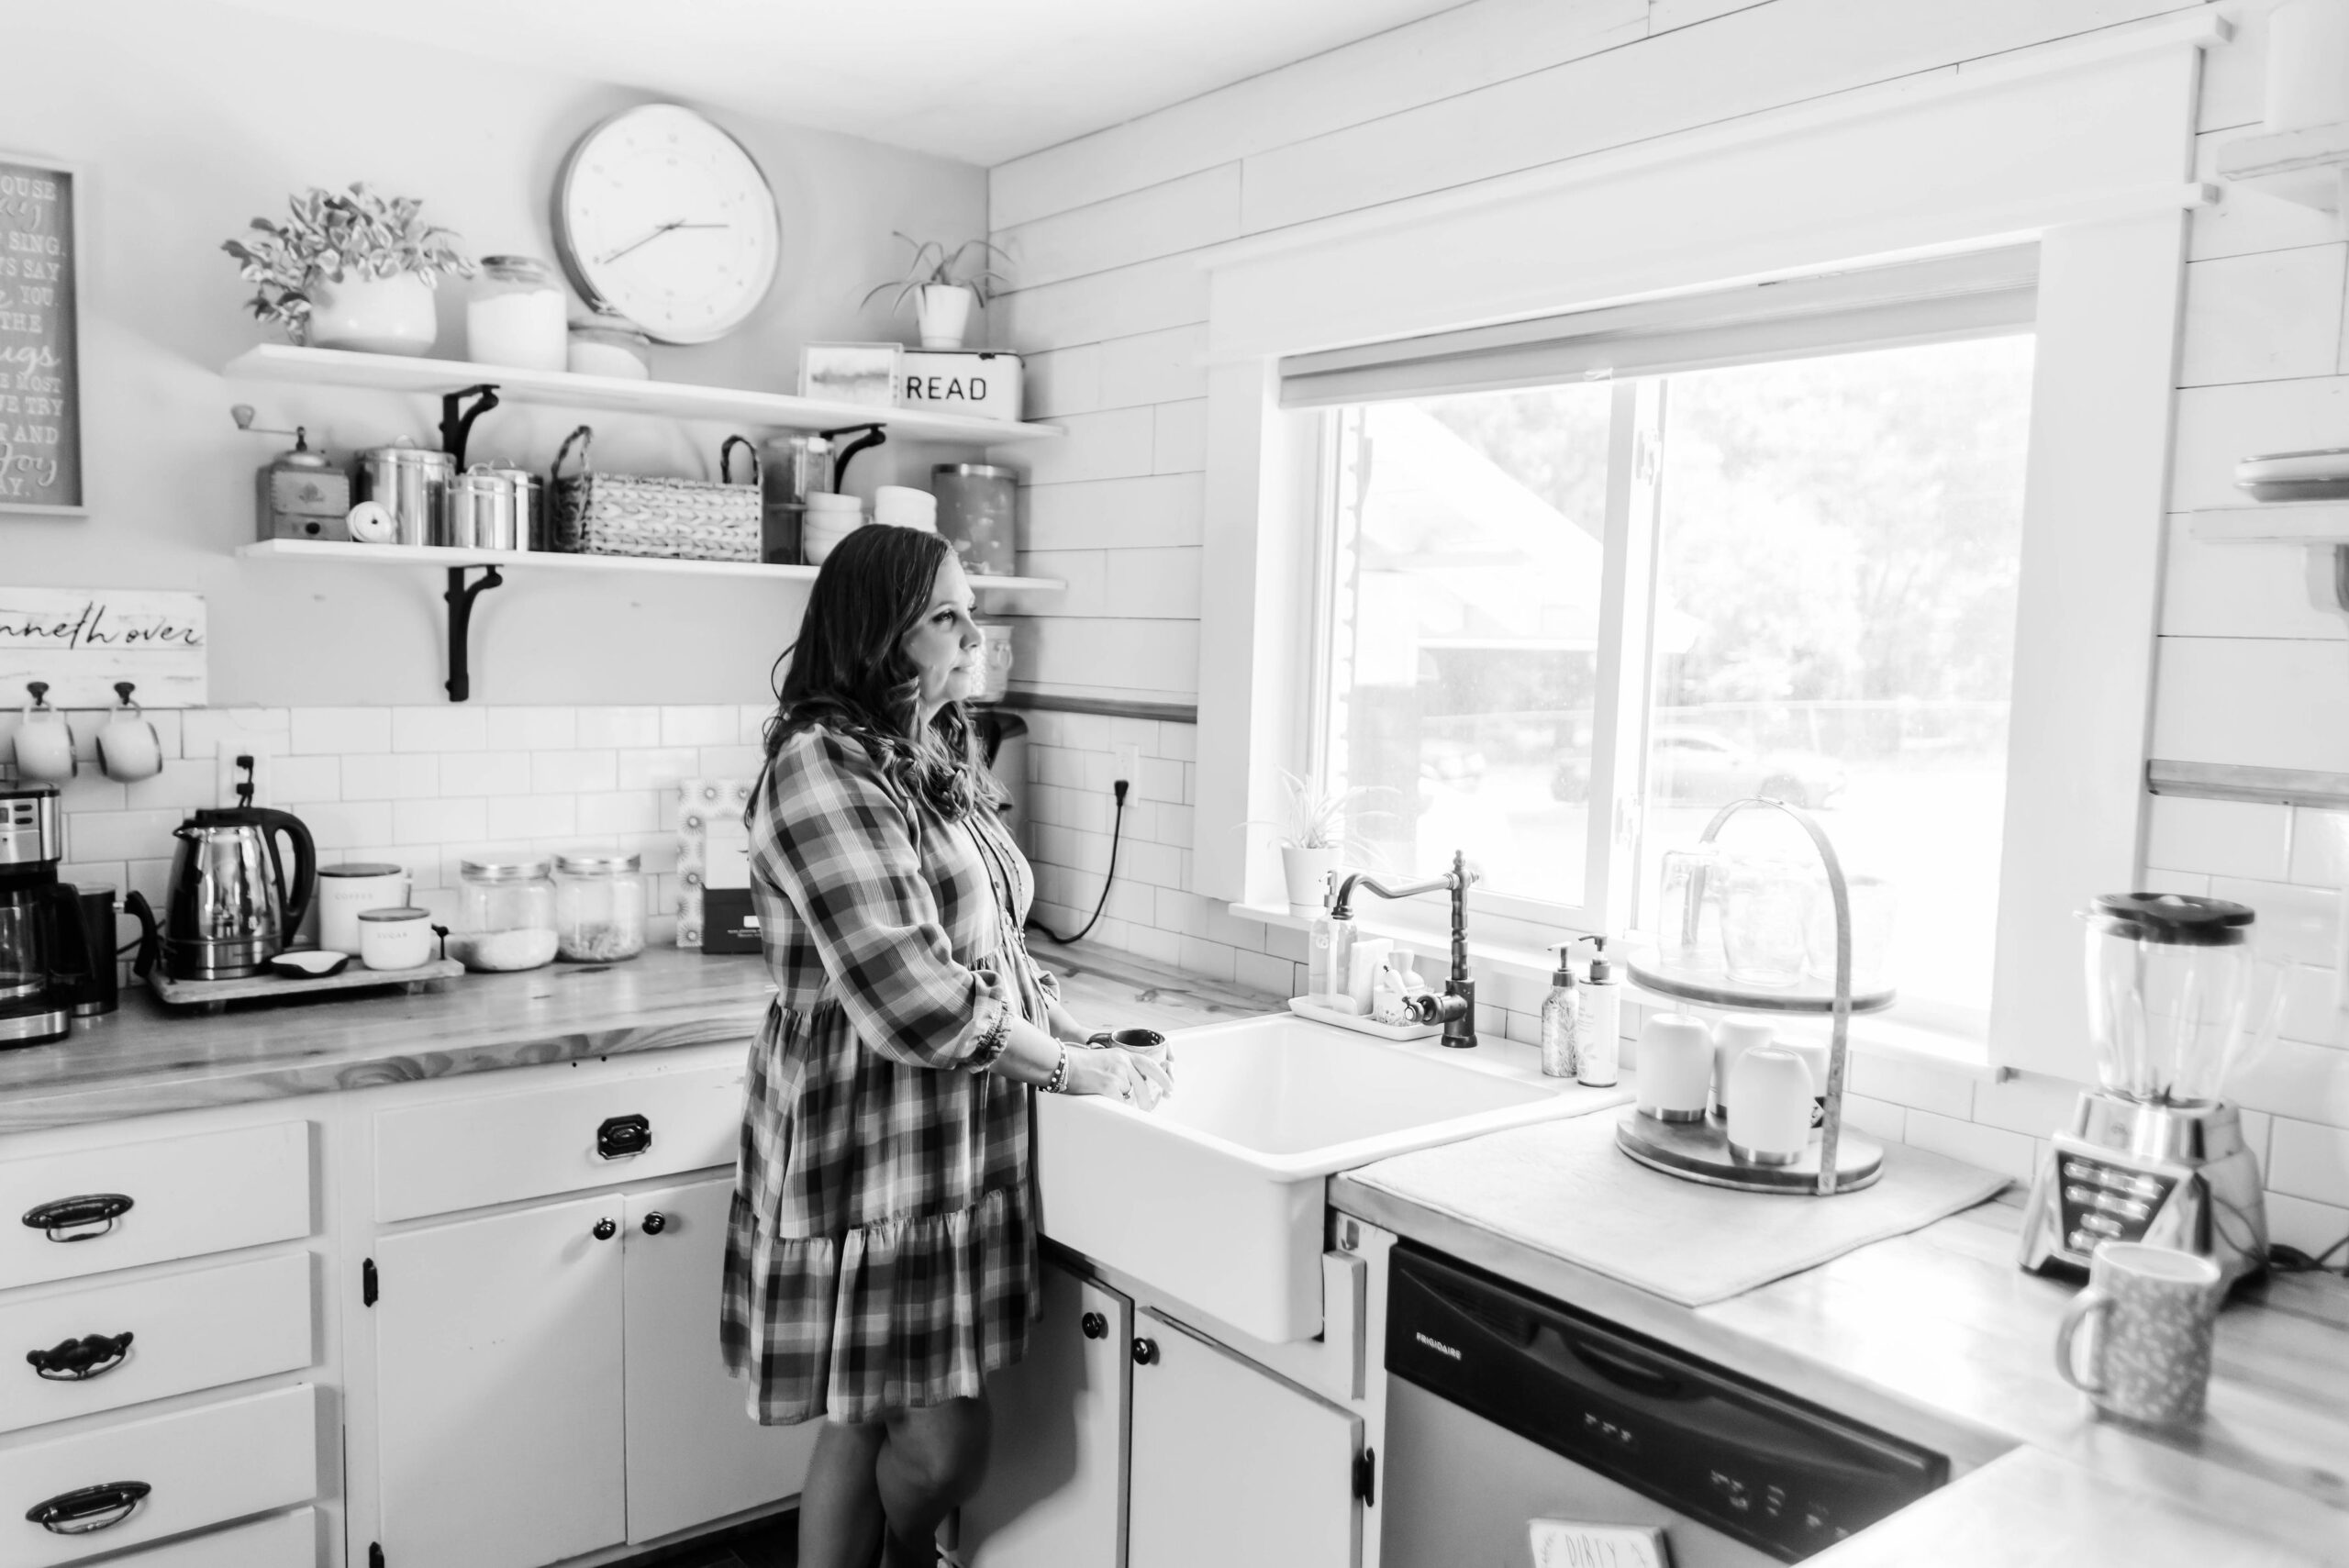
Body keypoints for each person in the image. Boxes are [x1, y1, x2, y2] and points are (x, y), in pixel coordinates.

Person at [721, 522, 1173, 1568]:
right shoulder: (818, 766)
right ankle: (909, 1551)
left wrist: (1071, 1027)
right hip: (868, 1145)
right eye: (946, 616)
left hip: (950, 1137)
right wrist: (1073, 1067)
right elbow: (913, 995)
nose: (975, 633)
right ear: (879, 634)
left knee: (872, 1414)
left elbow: (992, 946)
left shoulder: (931, 746)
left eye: (971, 608)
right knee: (933, 1438)